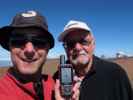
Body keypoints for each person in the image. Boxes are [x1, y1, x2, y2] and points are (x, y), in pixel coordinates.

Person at [54, 20, 133, 100]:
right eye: (70, 43)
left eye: (84, 41)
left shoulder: (115, 74)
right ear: (65, 49)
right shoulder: (57, 78)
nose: (77, 48)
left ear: (93, 44)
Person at [0, 10, 55, 100]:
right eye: (18, 40)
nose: (29, 50)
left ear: (47, 49)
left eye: (39, 41)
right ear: (9, 47)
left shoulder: (54, 84)